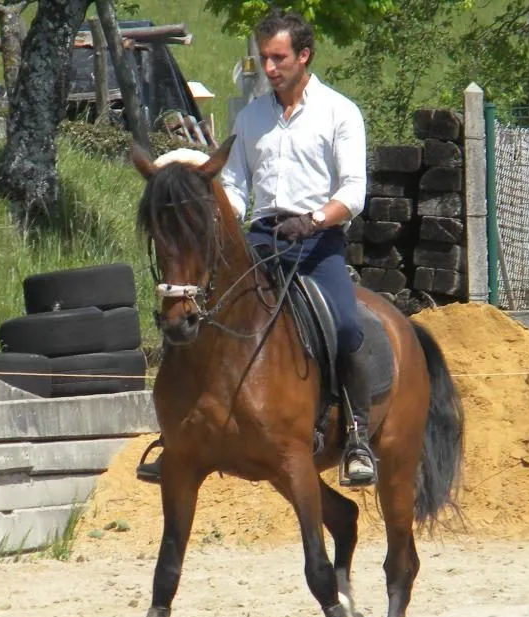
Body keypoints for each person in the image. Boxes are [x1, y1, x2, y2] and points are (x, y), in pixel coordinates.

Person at [137, 8, 377, 486]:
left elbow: (353, 191)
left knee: (348, 327)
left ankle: (355, 436)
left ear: (303, 56)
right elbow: (239, 189)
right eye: (264, 58)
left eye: (278, 58)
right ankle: (180, 434)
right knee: (200, 308)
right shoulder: (250, 118)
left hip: (317, 242)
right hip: (261, 237)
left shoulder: (339, 112)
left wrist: (311, 221)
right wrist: (218, 220)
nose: (269, 68)